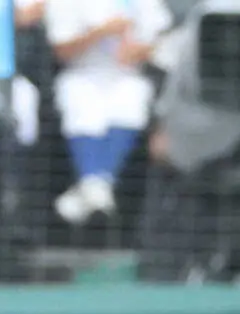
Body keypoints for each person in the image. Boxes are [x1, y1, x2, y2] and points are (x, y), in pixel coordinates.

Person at [44, 0, 172, 223]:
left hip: (129, 74)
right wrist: (101, 32)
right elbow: (61, 49)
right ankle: (98, 188)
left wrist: (138, 50)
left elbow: (162, 38)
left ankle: (91, 188)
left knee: (131, 102)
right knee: (80, 105)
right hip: (81, 73)